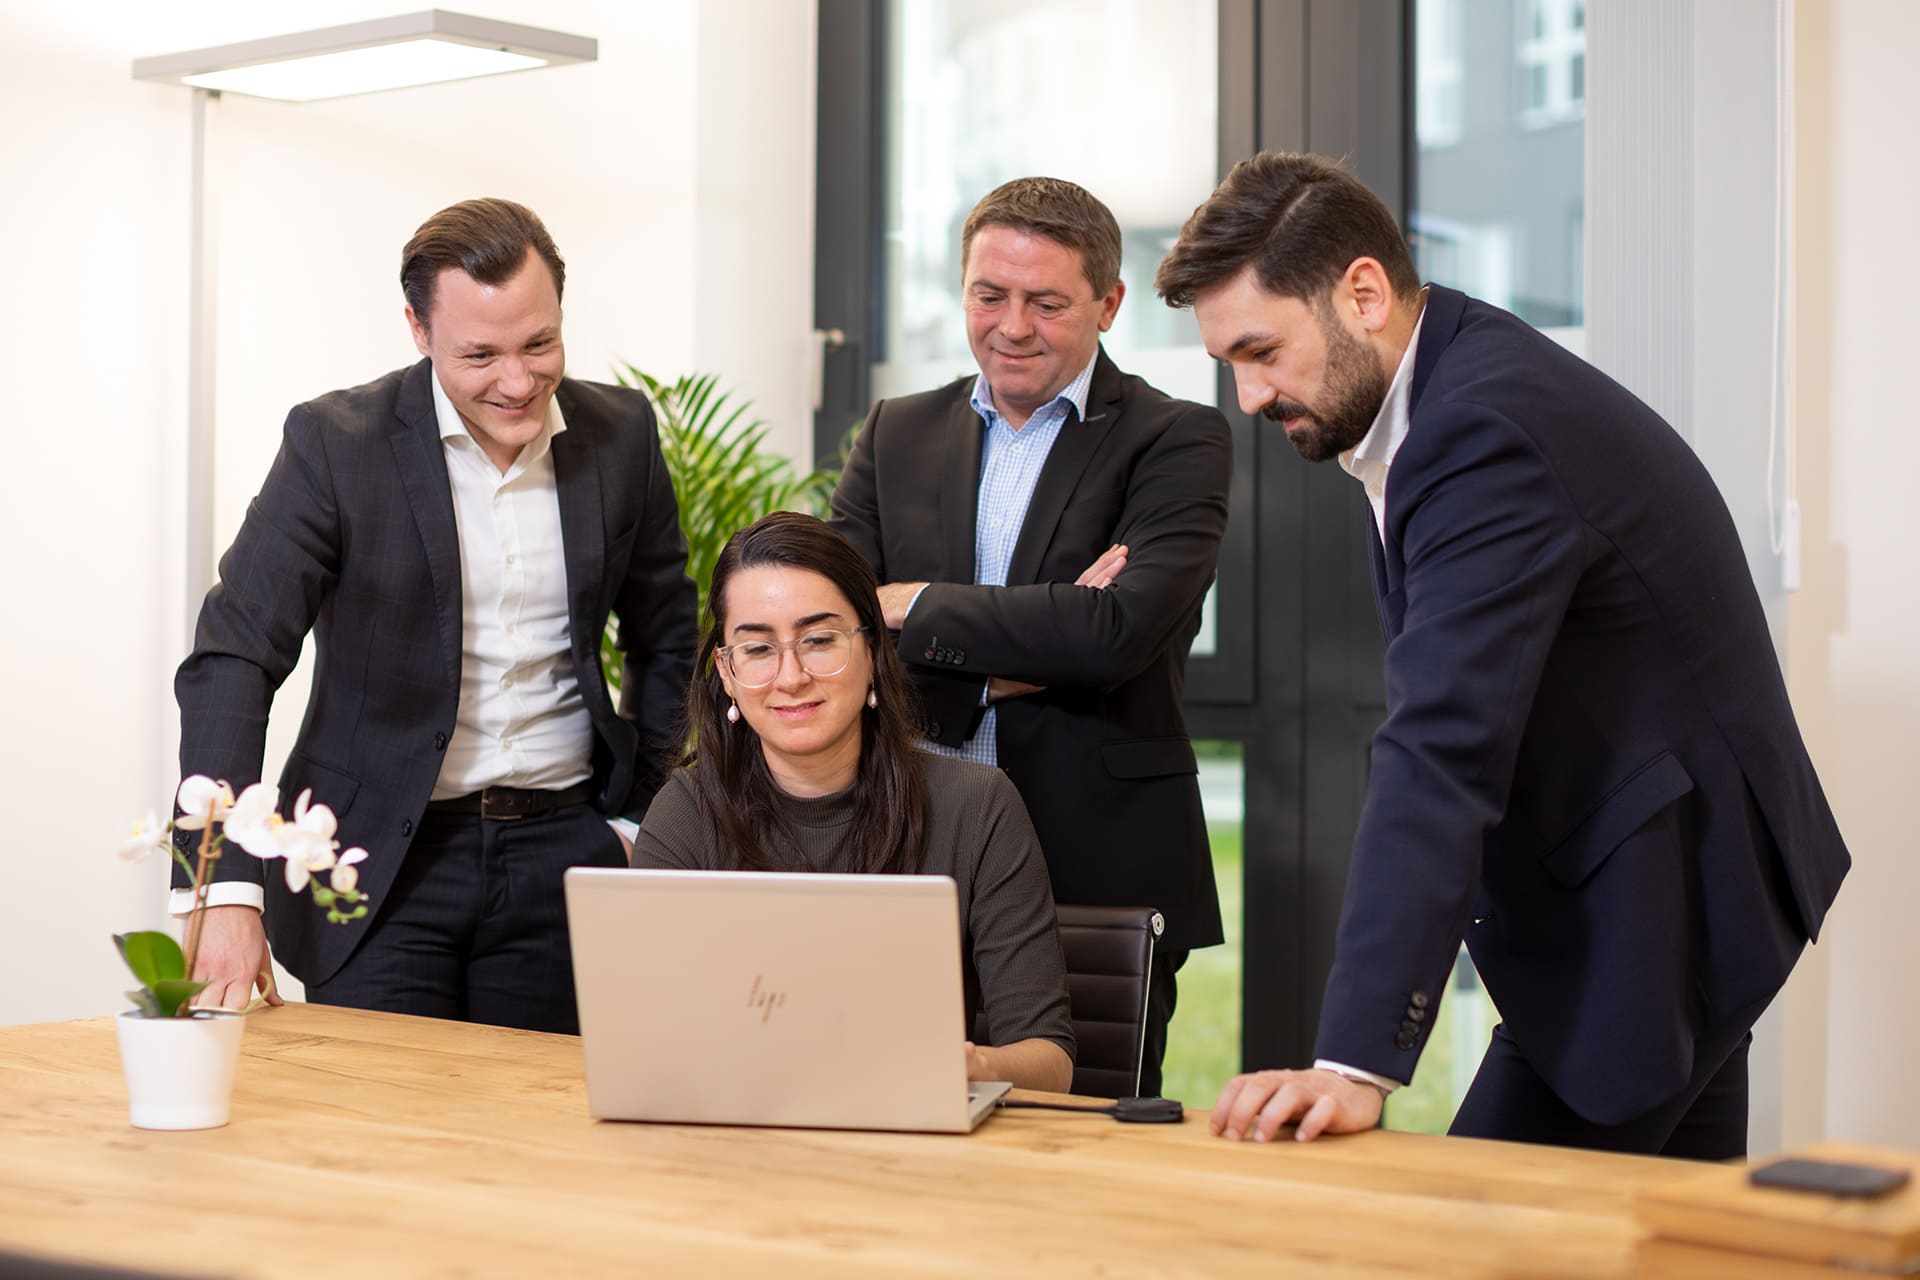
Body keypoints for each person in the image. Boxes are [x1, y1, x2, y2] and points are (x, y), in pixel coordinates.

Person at [1156, 151, 1851, 1157]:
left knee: (1489, 1233)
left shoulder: (1481, 429)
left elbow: (1442, 742)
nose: (1249, 394)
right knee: (1664, 1238)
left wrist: (1355, 1061)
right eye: (1228, 362)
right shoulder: (1442, 384)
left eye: (1261, 350)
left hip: (1653, 899)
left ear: (1362, 292)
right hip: (1676, 866)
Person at [173, 198, 698, 1033]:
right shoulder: (335, 446)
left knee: (547, 1137)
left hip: (566, 849)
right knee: (384, 1136)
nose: (518, 382)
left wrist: (641, 819)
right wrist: (222, 886)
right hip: (380, 861)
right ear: (418, 330)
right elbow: (234, 656)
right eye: (480, 355)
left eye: (539, 344)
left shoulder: (620, 434)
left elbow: (667, 636)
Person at [829, 177, 1231, 1096]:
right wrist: (1024, 649)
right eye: (989, 295)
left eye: (1047, 303)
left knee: (1084, 1144)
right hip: (910, 843)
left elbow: (1113, 635)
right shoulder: (897, 432)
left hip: (1094, 855)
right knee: (891, 1118)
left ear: (1108, 304)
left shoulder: (1176, 440)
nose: (1012, 326)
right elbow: (835, 633)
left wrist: (913, 603)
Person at [633, 512, 1075, 1091]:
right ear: (727, 672)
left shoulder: (977, 807)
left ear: (872, 653)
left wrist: (975, 1068)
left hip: (918, 1148)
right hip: (736, 1139)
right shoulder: (685, 815)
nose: (790, 676)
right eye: (759, 648)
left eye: (818, 640)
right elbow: (647, 1041)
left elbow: (1051, 1062)